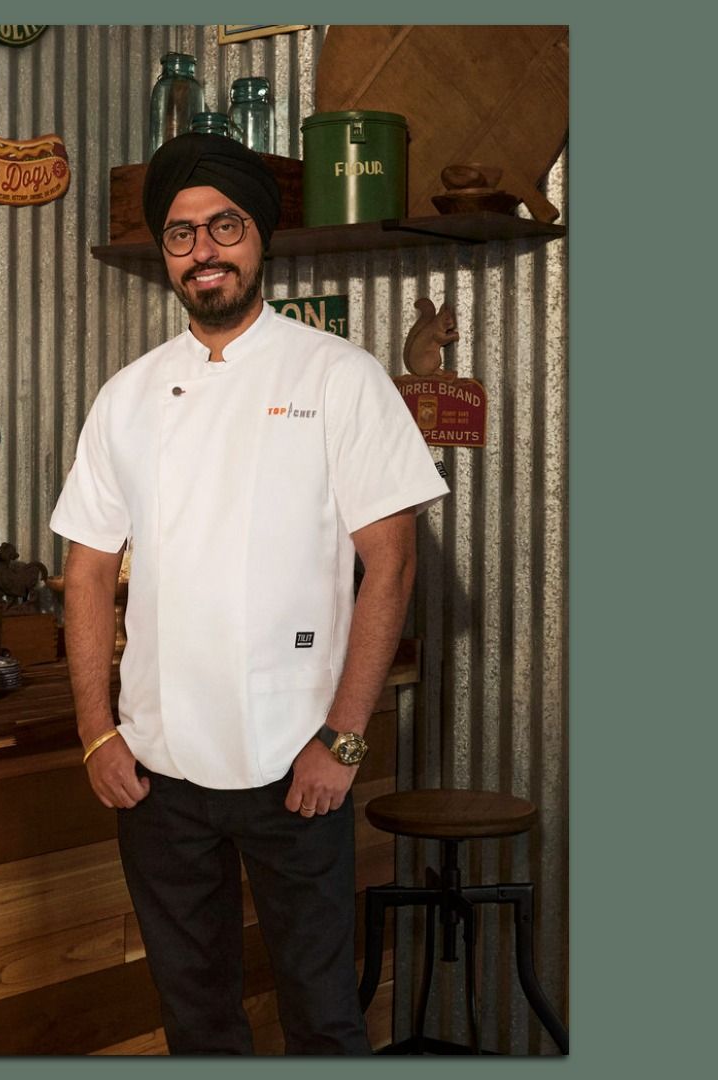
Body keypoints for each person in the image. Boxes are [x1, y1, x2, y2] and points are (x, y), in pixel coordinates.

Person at [50, 133, 448, 1055]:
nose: (204, 251)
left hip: (296, 766)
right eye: (182, 234)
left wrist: (343, 741)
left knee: (322, 1015)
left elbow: (390, 566)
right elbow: (86, 572)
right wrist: (94, 731)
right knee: (196, 1021)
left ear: (258, 237)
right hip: (157, 774)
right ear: (165, 253)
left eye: (223, 226)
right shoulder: (127, 397)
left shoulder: (338, 378)